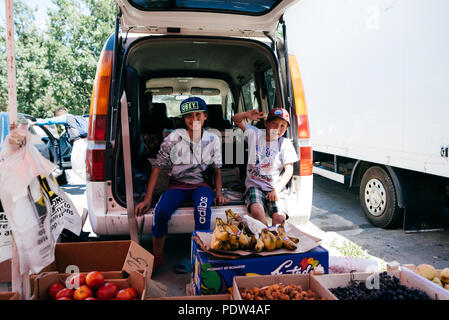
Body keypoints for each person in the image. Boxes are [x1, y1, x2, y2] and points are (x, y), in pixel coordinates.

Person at [135, 97, 229, 269]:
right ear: (183, 119)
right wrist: (148, 198)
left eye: (198, 115)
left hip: (201, 185)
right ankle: (157, 257)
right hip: (177, 185)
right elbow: (157, 168)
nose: (194, 120)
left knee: (202, 210)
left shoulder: (212, 139)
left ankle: (199, 257)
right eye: (189, 116)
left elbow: (217, 169)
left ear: (206, 116)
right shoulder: (173, 138)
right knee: (160, 212)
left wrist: (219, 192)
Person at [232, 107, 299, 226]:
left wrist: (276, 190)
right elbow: (236, 119)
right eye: (274, 123)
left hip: (275, 187)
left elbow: (289, 170)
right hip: (255, 185)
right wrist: (247, 114)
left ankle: (275, 238)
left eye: (282, 125)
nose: (277, 128)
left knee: (279, 217)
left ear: (287, 128)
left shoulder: (285, 144)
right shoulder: (255, 134)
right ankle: (264, 235)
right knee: (257, 211)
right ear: (266, 123)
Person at [34, 107, 88, 183]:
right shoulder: (77, 117)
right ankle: (92, 185)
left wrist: (35, 122)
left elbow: (50, 121)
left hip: (79, 143)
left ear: (59, 115)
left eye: (57, 117)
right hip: (87, 142)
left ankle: (92, 185)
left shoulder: (66, 117)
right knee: (84, 167)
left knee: (77, 168)